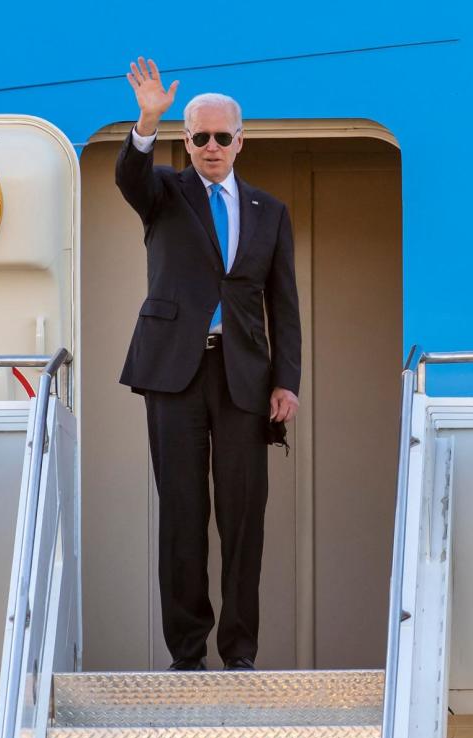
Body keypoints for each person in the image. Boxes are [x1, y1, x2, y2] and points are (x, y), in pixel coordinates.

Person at [116, 57, 302, 671]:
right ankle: (187, 652)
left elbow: (283, 303)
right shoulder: (164, 192)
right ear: (186, 141)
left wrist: (287, 382)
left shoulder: (270, 210)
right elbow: (129, 177)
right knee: (182, 514)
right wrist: (146, 123)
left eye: (223, 136)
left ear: (240, 140)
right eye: (200, 137)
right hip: (174, 373)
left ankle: (241, 652)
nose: (213, 146)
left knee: (245, 518)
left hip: (244, 378)